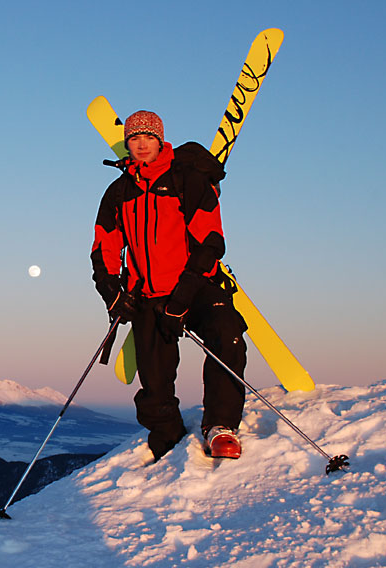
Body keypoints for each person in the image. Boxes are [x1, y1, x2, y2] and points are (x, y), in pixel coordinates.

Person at [90, 110, 248, 462]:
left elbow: (211, 240)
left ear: (160, 140)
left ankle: (221, 425)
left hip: (196, 285)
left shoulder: (187, 179)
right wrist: (112, 293)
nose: (141, 144)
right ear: (127, 144)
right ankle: (168, 435)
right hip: (148, 294)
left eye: (148, 137)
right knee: (154, 376)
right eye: (134, 138)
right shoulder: (118, 192)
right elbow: (104, 248)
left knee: (227, 334)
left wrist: (184, 294)